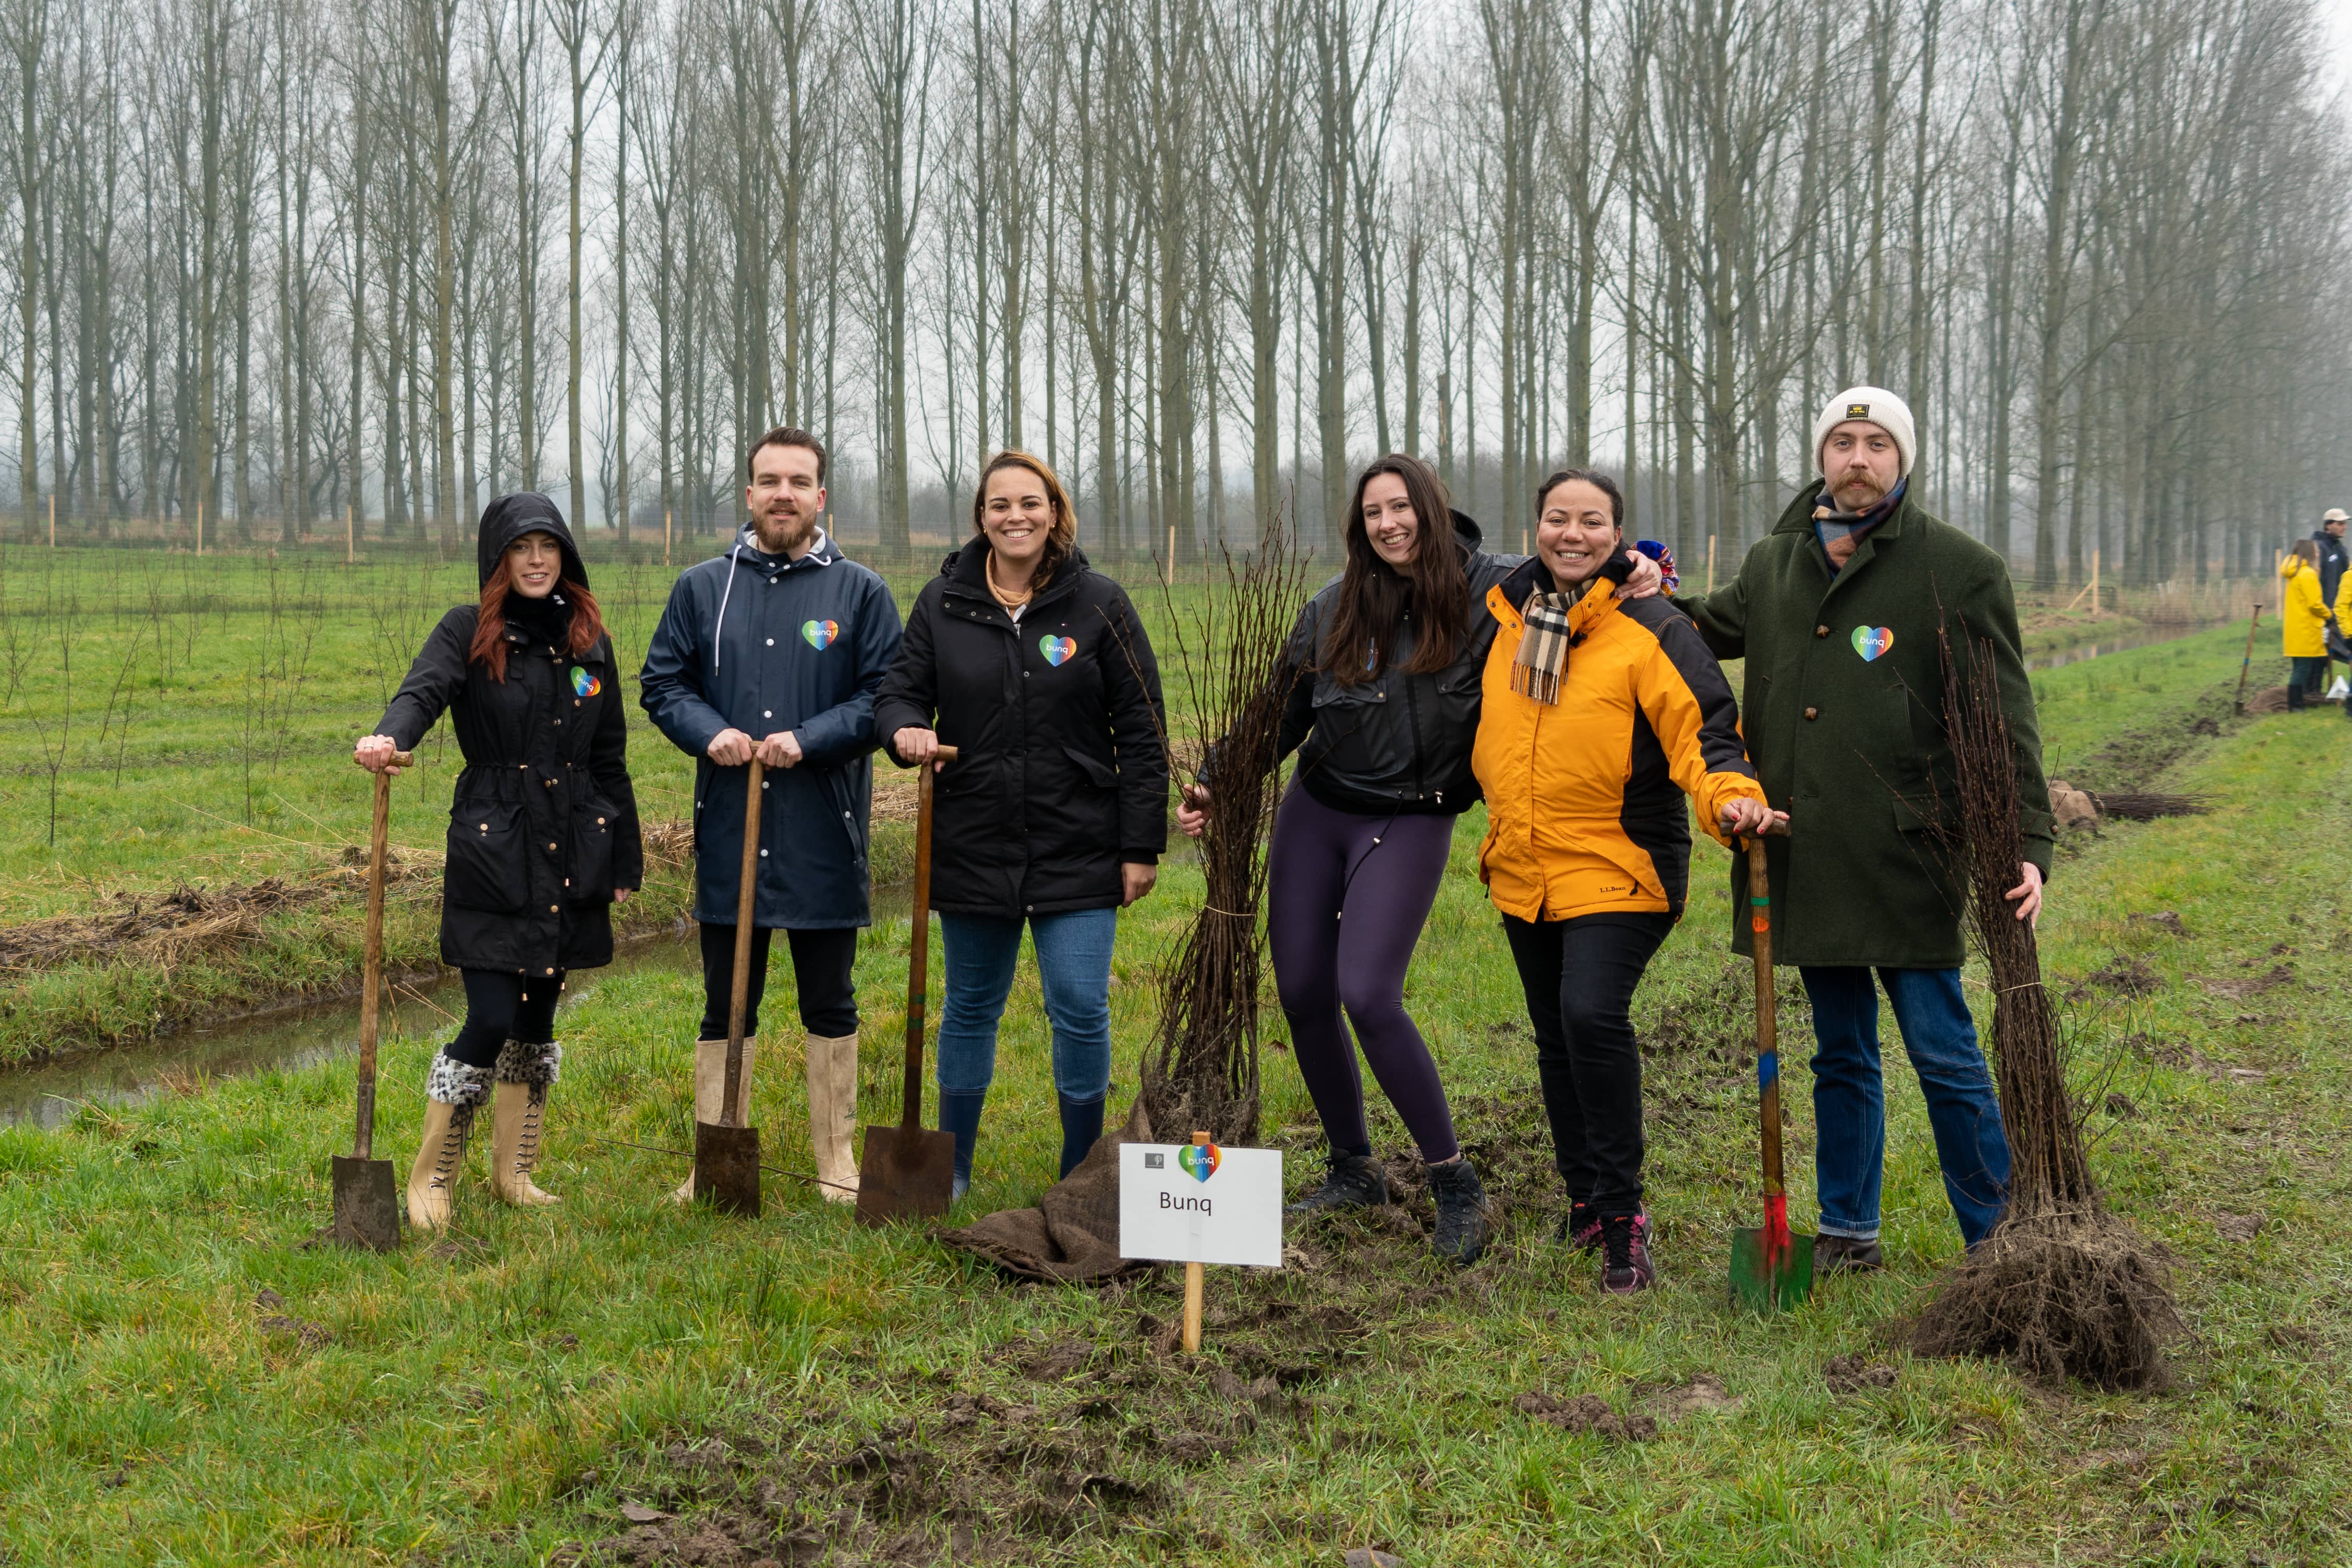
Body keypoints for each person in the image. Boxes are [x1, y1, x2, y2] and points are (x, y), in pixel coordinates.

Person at [1175, 453, 1659, 1269]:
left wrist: (1639, 563)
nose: (1388, 524)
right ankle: (1352, 1167)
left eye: (1400, 507)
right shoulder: (1332, 607)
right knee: (1301, 990)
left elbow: (1578, 564)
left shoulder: (1496, 590)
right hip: (1317, 809)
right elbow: (1277, 712)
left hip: (1413, 814)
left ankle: (1454, 1179)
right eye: (1372, 513)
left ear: (1431, 510)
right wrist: (1217, 780)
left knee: (1367, 992)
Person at [1638, 387, 2050, 1271]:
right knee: (1840, 1052)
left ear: (1901, 459)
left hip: (1907, 852)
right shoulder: (1776, 561)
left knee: (1942, 1050)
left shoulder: (1958, 569)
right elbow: (1703, 626)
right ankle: (1848, 1231)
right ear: (1821, 456)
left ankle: (1997, 1240)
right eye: (1842, 442)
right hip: (1806, 849)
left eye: (1876, 443)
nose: (1857, 458)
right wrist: (1644, 589)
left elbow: (2002, 715)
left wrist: (2027, 842)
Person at [1473, 468, 1777, 1293]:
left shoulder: (1652, 627)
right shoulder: (1506, 619)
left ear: (1618, 535)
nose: (1571, 534)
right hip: (1525, 860)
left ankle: (1621, 1215)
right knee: (1554, 1033)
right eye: (1556, 518)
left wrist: (1731, 798)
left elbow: (1706, 732)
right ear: (1536, 527)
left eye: (1591, 521)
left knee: (1589, 1012)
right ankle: (1582, 1197)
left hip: (1622, 860)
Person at [873, 451, 1167, 1200]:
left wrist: (1140, 844)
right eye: (999, 504)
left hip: (1079, 842)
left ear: (1054, 511)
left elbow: (1141, 730)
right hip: (973, 840)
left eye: (1030, 502)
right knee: (970, 1006)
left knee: (1080, 1005)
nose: (1015, 516)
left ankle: (1079, 1172)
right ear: (981, 516)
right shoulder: (943, 602)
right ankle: (951, 1169)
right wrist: (904, 728)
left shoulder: (1099, 603)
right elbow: (899, 693)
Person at [358, 493, 644, 1230]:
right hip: (495, 846)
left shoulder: (590, 641)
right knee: (490, 1014)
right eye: (521, 547)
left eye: (548, 546)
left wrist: (625, 854)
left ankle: (514, 1171)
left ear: (565, 556)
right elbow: (421, 691)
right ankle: (431, 1178)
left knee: (538, 1016)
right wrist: (390, 736)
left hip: (572, 845)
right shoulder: (468, 630)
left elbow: (609, 755)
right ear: (499, 560)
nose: (537, 560)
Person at [639, 428, 902, 1204]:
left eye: (798, 481)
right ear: (749, 493)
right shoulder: (700, 587)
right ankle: (714, 1157)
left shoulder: (860, 591)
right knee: (726, 1002)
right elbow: (663, 682)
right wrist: (709, 730)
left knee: (830, 998)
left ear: (820, 496)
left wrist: (808, 738)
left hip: (824, 829)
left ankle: (836, 1162)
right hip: (731, 825)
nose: (783, 494)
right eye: (769, 480)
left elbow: (884, 697)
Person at [2280, 540, 2331, 712]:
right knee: (2302, 669)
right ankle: (2296, 706)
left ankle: (2297, 703)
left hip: (2295, 628)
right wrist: (2329, 615)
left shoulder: (2293, 573)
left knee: (2298, 668)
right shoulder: (2308, 574)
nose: (2318, 554)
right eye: (2316, 551)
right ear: (2309, 553)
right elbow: (2315, 604)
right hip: (2306, 628)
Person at [2313, 509, 2349, 682]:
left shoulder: (2340, 549)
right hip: (2321, 611)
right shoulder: (2319, 548)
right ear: (2328, 525)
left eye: (2345, 524)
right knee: (2319, 651)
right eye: (2340, 524)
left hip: (2337, 611)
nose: (2344, 527)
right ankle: (2311, 689)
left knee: (2332, 649)